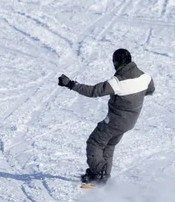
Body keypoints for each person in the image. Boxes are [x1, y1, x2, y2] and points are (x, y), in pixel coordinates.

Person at [58, 49, 155, 185]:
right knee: (109, 145)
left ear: (116, 63)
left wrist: (70, 84)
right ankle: (103, 177)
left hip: (115, 121)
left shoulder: (118, 82)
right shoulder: (145, 77)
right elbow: (150, 90)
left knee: (94, 143)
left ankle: (99, 172)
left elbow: (93, 91)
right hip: (130, 121)